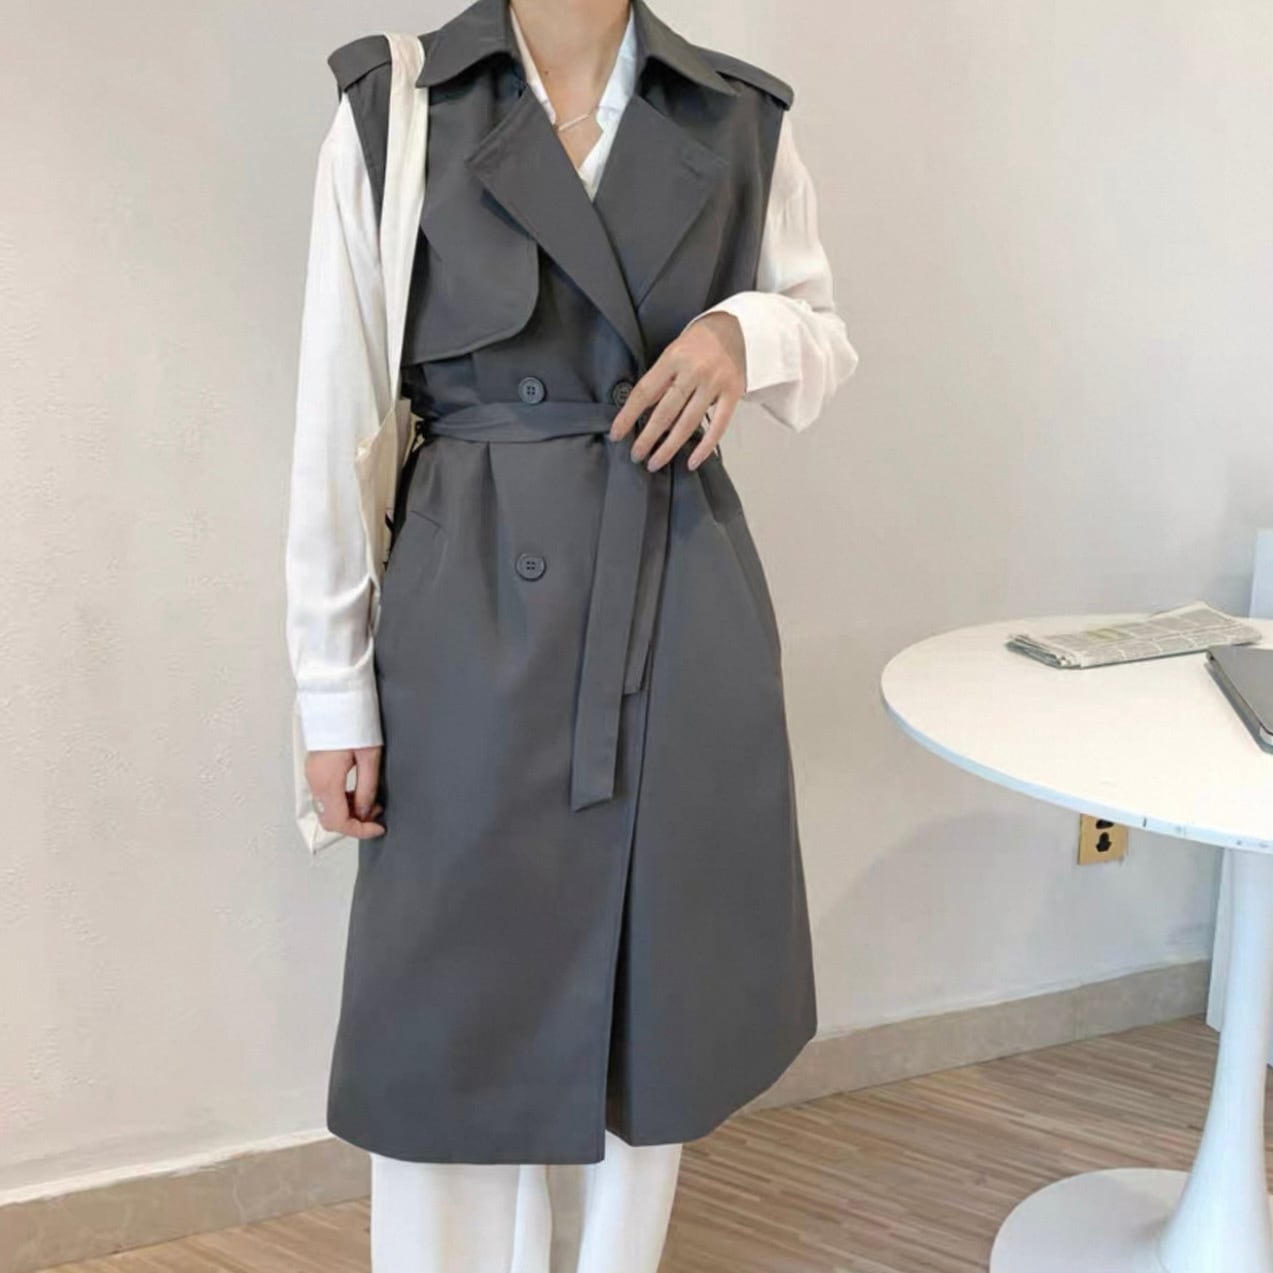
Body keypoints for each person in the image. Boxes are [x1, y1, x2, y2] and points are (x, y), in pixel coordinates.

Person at [284, 0, 858, 1267]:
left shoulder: (737, 114)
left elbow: (823, 339)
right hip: (465, 616)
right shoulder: (400, 104)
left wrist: (742, 333)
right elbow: (336, 411)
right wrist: (331, 691)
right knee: (447, 1014)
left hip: (676, 597)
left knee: (646, 1009)